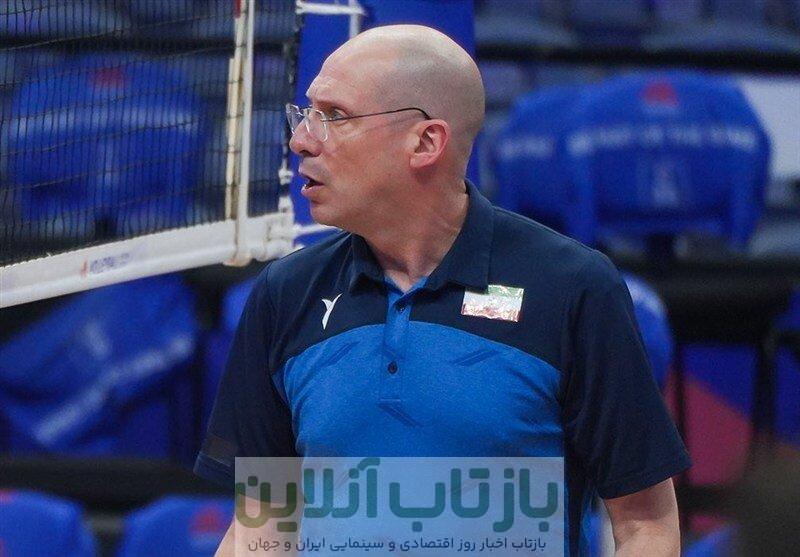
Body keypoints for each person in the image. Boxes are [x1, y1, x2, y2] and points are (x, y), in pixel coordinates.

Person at [196, 25, 690, 556]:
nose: (301, 140)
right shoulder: (285, 292)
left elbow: (646, 524)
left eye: (334, 116)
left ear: (426, 142)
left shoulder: (572, 287)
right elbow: (262, 527)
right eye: (306, 114)